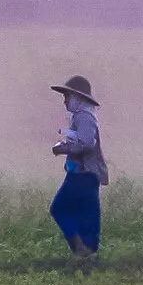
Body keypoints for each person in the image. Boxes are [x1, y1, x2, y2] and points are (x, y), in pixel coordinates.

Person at [49, 75, 108, 257]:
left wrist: (64, 149)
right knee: (87, 215)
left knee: (59, 208)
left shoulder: (84, 117)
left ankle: (81, 249)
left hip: (82, 174)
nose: (65, 101)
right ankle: (88, 253)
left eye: (67, 97)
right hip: (85, 173)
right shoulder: (84, 116)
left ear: (78, 97)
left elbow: (87, 143)